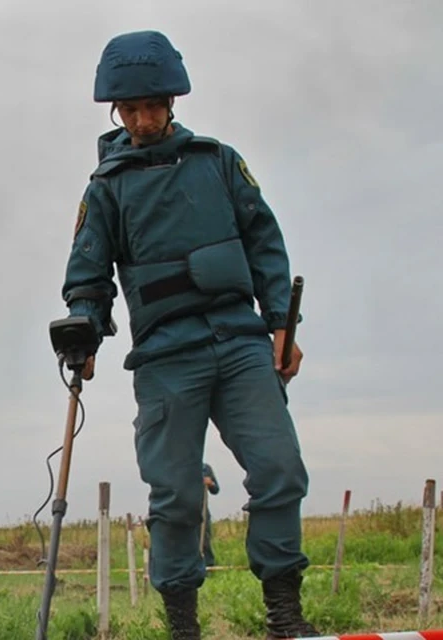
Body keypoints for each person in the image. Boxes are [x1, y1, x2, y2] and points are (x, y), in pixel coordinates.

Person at [59, 30, 317, 639]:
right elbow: (88, 275)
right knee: (176, 495)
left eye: (154, 105)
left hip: (242, 343)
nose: (144, 119)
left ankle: (285, 616)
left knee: (280, 470)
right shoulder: (107, 188)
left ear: (173, 100)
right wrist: (85, 334)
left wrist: (282, 322)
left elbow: (264, 243)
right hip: (166, 357)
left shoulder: (218, 162)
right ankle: (183, 629)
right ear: (115, 112)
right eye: (131, 109)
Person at [201, 463, 219, 567]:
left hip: (202, 509)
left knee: (205, 537)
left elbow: (216, 490)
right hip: (185, 508)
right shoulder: (180, 467)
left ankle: (208, 565)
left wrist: (210, 483)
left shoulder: (205, 468)